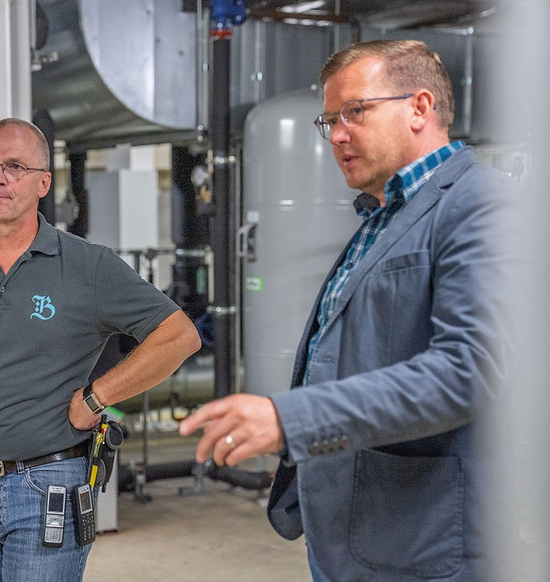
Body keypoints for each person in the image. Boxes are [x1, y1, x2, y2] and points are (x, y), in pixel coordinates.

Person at [179, 40, 515, 581]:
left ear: (420, 108)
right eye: (330, 119)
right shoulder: (383, 215)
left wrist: (292, 419)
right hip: (356, 532)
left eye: (355, 112)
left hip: (424, 540)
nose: (337, 135)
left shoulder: (480, 203)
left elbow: (467, 372)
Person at [0, 118, 201, 582]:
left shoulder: (88, 266)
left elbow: (180, 335)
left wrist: (97, 396)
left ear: (44, 182)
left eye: (15, 166)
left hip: (47, 488)